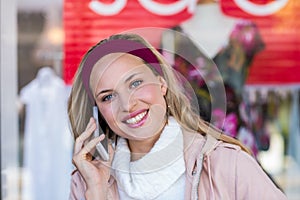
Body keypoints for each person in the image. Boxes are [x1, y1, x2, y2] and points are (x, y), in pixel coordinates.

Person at [68, 33, 286, 199]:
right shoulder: (87, 182)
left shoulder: (228, 165)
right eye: (108, 97)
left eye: (135, 83)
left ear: (161, 83)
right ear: (97, 111)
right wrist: (96, 192)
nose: (128, 104)